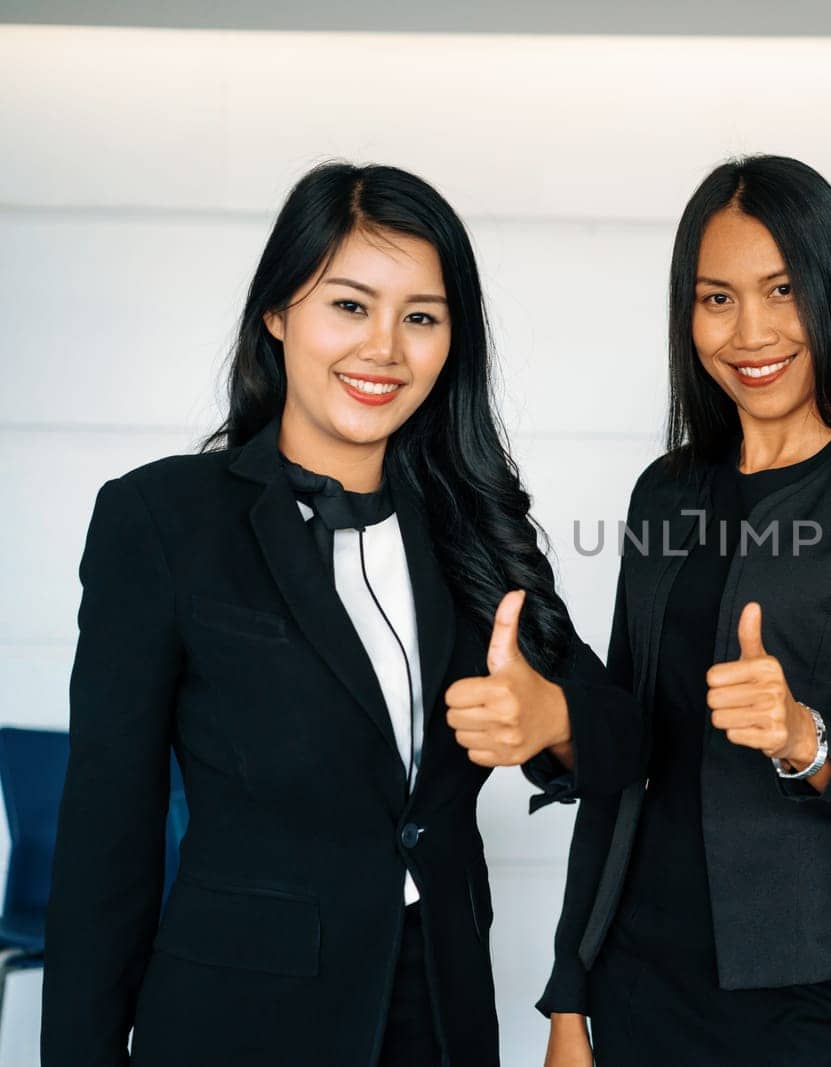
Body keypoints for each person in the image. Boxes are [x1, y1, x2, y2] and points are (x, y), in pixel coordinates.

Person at [42, 162, 638, 1067]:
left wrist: (552, 718)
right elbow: (104, 843)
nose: (385, 349)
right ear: (278, 312)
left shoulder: (472, 528)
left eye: (422, 317)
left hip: (439, 1017)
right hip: (236, 1023)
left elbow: (633, 741)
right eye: (350, 306)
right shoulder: (161, 520)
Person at [536, 155, 831, 1067]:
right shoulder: (668, 492)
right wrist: (569, 998)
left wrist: (801, 735)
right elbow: (624, 757)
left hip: (811, 994)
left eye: (782, 290)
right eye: (717, 297)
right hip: (640, 976)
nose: (751, 330)